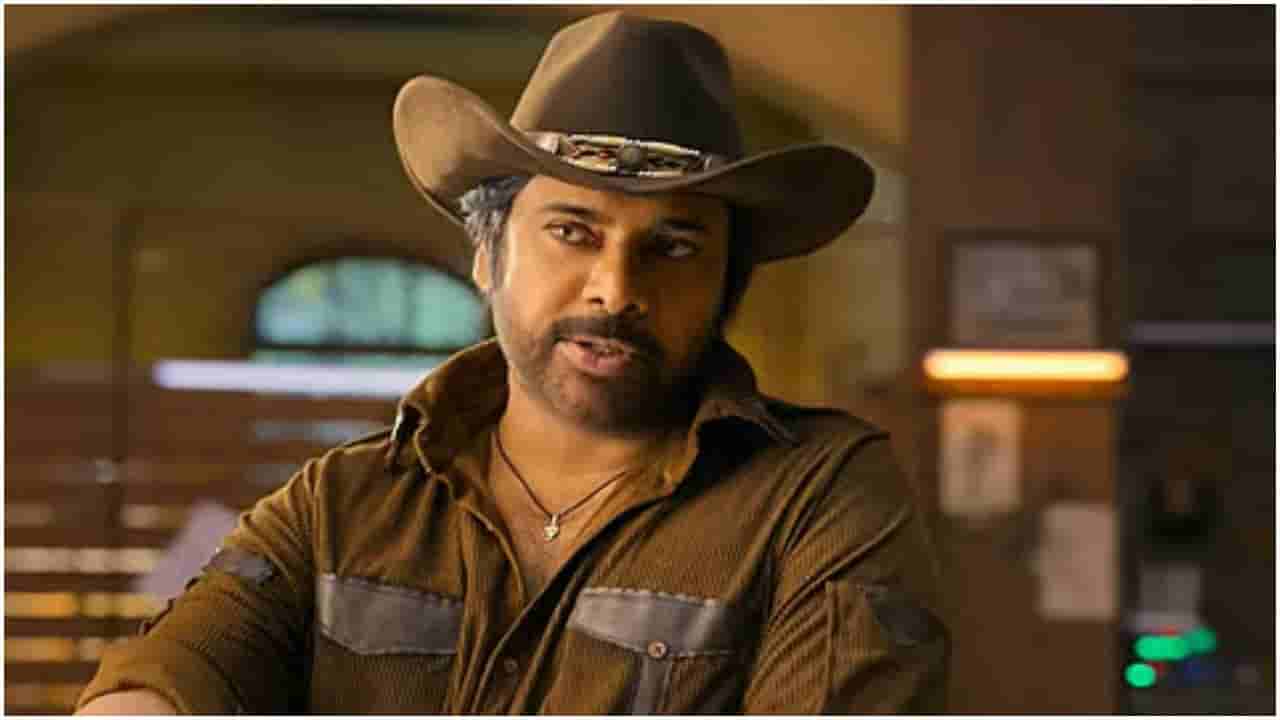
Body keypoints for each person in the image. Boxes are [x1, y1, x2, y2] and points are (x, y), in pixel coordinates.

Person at [77, 11, 948, 714]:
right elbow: (169, 675)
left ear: (728, 284)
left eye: (675, 246)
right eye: (573, 231)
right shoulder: (341, 504)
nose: (616, 289)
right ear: (487, 256)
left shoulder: (821, 498)